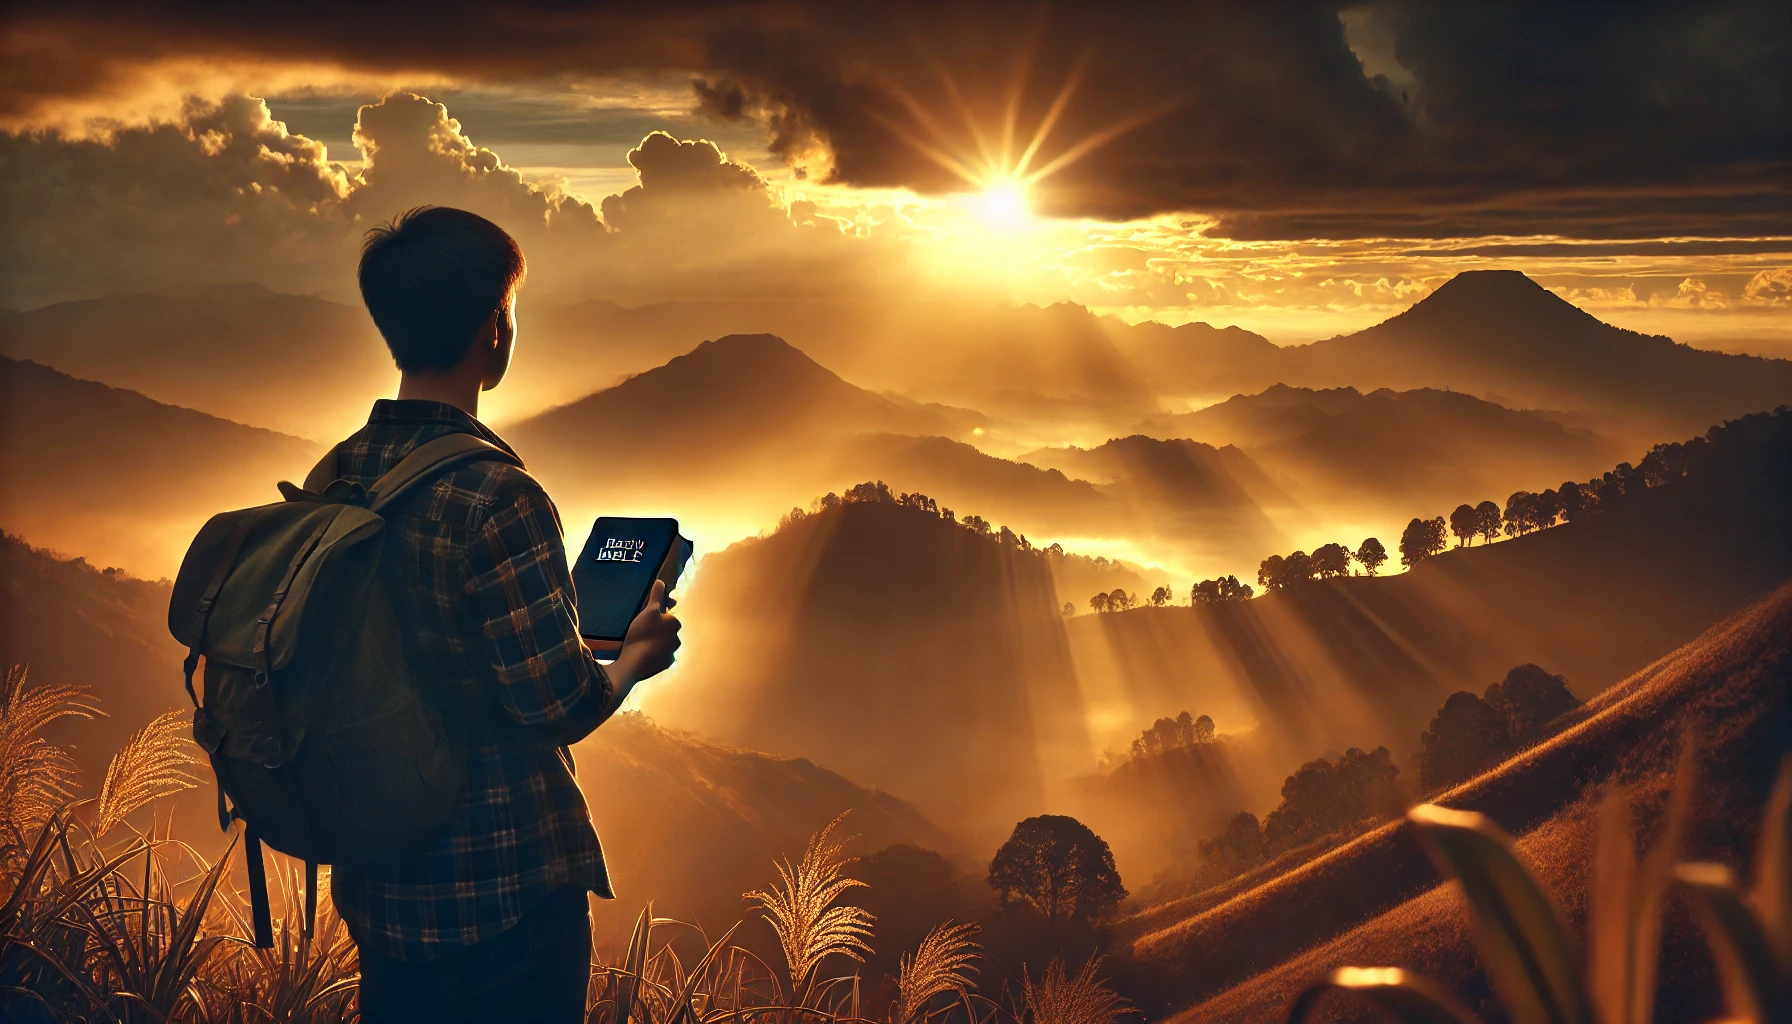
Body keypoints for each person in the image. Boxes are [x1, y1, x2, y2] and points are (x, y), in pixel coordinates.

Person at [325, 205, 681, 1022]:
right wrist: (633, 658)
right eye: (509, 309)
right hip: (502, 898)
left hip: (382, 888)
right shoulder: (499, 497)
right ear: (494, 328)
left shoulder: (342, 470)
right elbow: (555, 704)